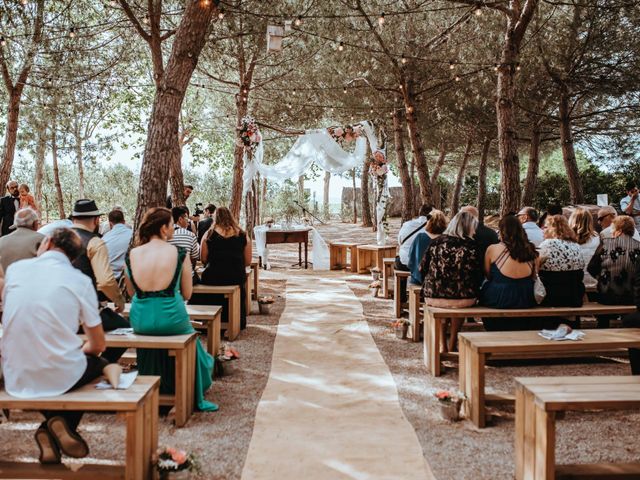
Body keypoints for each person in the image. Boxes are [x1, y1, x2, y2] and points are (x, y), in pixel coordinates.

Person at [1, 228, 111, 464]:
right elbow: (98, 343)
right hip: (57, 373)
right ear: (73, 257)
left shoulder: (15, 270)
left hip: (13, 371)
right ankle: (58, 422)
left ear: (47, 242)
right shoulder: (80, 281)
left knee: (62, 367)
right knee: (98, 364)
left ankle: (50, 430)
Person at [123, 207, 217, 412]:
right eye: (171, 225)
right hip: (172, 317)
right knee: (195, 348)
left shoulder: (132, 254)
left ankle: (154, 384)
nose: (173, 229)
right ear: (164, 228)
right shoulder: (178, 253)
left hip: (141, 318)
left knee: (150, 343)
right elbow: (187, 294)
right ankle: (184, 388)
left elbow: (131, 292)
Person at [71, 199, 128, 362]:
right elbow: (105, 282)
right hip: (85, 312)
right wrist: (118, 300)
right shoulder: (94, 242)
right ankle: (101, 364)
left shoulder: (56, 239)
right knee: (125, 329)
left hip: (56, 311)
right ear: (96, 220)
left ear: (73, 219)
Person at [419, 211, 481, 352]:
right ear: (469, 227)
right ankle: (453, 343)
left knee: (444, 303)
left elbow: (422, 268)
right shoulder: (472, 246)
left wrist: (431, 283)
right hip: (464, 297)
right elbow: (478, 273)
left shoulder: (435, 243)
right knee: (456, 305)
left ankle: (442, 344)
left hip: (433, 296)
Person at [480, 215, 539, 331]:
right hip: (525, 297)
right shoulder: (531, 249)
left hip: (499, 297)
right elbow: (534, 275)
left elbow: (487, 274)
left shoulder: (492, 249)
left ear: (502, 231)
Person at [198, 206, 252, 330]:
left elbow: (203, 259)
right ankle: (237, 321)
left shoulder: (209, 234)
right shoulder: (243, 234)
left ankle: (209, 320)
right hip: (235, 276)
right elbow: (248, 261)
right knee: (239, 281)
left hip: (213, 276)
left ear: (215, 218)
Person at [588, 216, 640, 328]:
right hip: (631, 296)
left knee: (603, 316)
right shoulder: (639, 245)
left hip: (608, 295)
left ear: (619, 230)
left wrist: (601, 277)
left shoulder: (606, 243)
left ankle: (602, 328)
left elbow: (591, 267)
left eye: (613, 229)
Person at [538, 215, 585, 308]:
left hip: (552, 296)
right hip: (574, 297)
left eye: (546, 227)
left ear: (554, 229)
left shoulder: (547, 244)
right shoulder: (576, 245)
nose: (543, 229)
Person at [396, 204, 432, 302]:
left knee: (398, 263)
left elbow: (399, 242)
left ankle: (401, 298)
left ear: (420, 213)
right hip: (425, 265)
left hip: (406, 263)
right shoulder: (434, 228)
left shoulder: (407, 224)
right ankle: (424, 296)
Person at [407, 210, 447, 286]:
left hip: (419, 278)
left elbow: (411, 259)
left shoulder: (420, 238)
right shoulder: (446, 240)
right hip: (440, 281)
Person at [569, 207, 601, 289]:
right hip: (595, 283)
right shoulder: (598, 239)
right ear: (590, 221)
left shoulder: (566, 241)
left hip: (574, 286)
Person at [102, 208, 133, 280]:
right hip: (131, 278)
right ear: (124, 222)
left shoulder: (104, 239)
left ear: (110, 224)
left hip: (112, 279)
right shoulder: (133, 236)